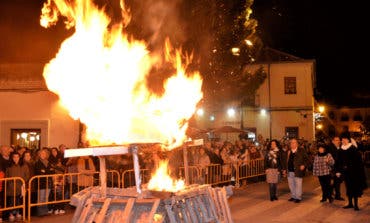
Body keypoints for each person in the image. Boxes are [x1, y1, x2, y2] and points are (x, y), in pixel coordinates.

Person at [336, 132, 367, 211]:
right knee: (348, 188)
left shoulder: (353, 149)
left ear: (348, 140)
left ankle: (356, 205)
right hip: (345, 172)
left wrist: (350, 165)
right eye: (342, 139)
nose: (343, 141)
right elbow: (338, 161)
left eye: (345, 139)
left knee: (354, 188)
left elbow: (358, 161)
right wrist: (338, 171)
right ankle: (350, 203)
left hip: (354, 172)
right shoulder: (340, 150)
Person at [282, 138, 309, 203]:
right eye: (291, 143)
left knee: (298, 185)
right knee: (291, 185)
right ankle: (293, 196)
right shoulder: (288, 151)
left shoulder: (301, 150)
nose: (292, 144)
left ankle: (298, 197)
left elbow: (307, 159)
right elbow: (285, 161)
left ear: (297, 144)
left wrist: (304, 165)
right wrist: (284, 169)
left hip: (298, 171)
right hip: (290, 171)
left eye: (294, 142)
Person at [327, 136, 345, 200]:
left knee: (338, 181)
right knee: (336, 182)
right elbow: (330, 159)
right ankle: (336, 195)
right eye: (336, 140)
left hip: (339, 168)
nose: (338, 141)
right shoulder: (330, 148)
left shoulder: (340, 147)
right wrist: (334, 169)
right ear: (333, 141)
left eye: (339, 140)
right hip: (333, 168)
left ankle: (332, 192)